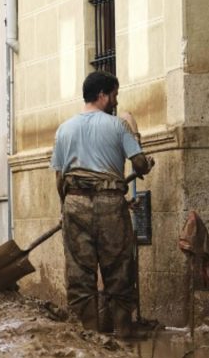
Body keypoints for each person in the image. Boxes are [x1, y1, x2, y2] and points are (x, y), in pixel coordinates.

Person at [51, 71, 154, 338]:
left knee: (79, 274)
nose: (116, 102)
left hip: (74, 201)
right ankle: (124, 337)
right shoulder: (118, 126)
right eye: (114, 95)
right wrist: (139, 141)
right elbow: (140, 165)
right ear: (102, 95)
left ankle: (90, 339)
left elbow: (59, 178)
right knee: (119, 271)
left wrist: (67, 208)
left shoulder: (64, 129)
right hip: (110, 203)